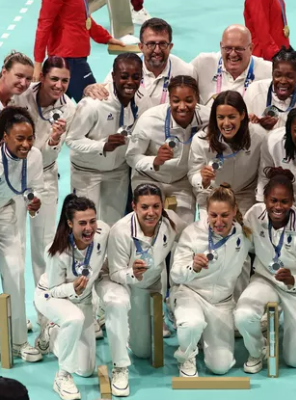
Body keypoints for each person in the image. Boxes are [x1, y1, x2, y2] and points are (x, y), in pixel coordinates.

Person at [92, 184, 182, 396]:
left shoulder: (171, 221)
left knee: (141, 352)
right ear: (134, 206)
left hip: (149, 284)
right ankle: (119, 367)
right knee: (118, 303)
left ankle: (126, 324)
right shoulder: (121, 231)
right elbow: (115, 273)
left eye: (156, 206)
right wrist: (133, 273)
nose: (151, 213)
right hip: (118, 281)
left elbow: (192, 235)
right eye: (144, 207)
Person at [235, 168, 296, 374]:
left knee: (295, 361)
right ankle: (256, 351)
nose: (278, 206)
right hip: (265, 279)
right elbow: (245, 244)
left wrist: (293, 279)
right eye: (273, 200)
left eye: (284, 201)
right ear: (265, 199)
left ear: (292, 201)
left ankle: (286, 322)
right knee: (243, 314)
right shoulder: (254, 214)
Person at [33, 194, 110, 400]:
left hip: (82, 300)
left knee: (85, 369)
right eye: (82, 223)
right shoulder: (56, 250)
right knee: (73, 318)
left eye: (92, 221)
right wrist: (71, 289)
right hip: (51, 296)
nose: (89, 228)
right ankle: (62, 377)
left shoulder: (103, 233)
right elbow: (53, 290)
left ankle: (54, 333)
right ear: (69, 223)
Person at [11, 56, 76, 294]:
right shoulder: (22, 95)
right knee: (13, 246)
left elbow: (48, 156)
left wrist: (54, 139)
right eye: (54, 79)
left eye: (65, 81)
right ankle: (15, 313)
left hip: (44, 178)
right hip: (11, 176)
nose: (59, 86)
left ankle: (47, 312)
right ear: (43, 77)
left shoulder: (69, 109)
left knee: (45, 246)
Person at [171, 184, 251, 377]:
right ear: (207, 212)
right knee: (192, 323)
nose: (218, 221)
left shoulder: (245, 236)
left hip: (221, 302)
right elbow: (175, 274)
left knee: (221, 367)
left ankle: (197, 337)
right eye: (213, 215)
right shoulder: (192, 233)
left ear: (234, 212)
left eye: (224, 215)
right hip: (191, 294)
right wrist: (192, 267)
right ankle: (186, 355)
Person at [65, 53, 142, 226]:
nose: (130, 82)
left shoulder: (139, 102)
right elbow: (71, 139)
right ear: (113, 76)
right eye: (124, 77)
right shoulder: (93, 104)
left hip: (118, 172)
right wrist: (101, 146)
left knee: (113, 226)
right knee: (83, 225)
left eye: (135, 77)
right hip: (87, 172)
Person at [126, 75, 210, 225]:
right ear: (169, 99)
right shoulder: (150, 120)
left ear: (197, 98)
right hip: (148, 177)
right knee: (149, 223)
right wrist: (155, 161)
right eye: (176, 101)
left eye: (189, 100)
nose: (182, 106)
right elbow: (131, 156)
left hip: (182, 181)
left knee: (182, 228)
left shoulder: (207, 117)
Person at [0, 106, 44, 362]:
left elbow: (33, 188)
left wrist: (34, 205)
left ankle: (18, 342)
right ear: (4, 137)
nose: (26, 144)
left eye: (30, 138)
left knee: (16, 274)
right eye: (20, 138)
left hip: (6, 214)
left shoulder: (35, 157)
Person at [84, 18, 194, 117]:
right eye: (151, 44)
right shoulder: (125, 67)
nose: (157, 50)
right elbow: (105, 95)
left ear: (170, 47)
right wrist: (90, 89)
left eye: (162, 44)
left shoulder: (185, 72)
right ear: (141, 47)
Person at [188, 90, 264, 214]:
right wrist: (202, 179)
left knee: (246, 231)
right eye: (221, 117)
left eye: (232, 117)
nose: (226, 123)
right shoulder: (201, 140)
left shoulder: (258, 136)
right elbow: (193, 174)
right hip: (212, 194)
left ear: (243, 115)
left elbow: (263, 172)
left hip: (244, 194)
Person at [33, 0, 125, 102]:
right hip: (68, 59)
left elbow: (83, 18)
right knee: (95, 103)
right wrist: (38, 63)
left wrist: (106, 38)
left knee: (57, 108)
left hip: (73, 56)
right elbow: (44, 24)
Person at [190, 25, 272, 106]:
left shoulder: (268, 72)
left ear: (250, 48)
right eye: (228, 48)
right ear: (221, 46)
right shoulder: (202, 63)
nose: (233, 54)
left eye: (239, 49)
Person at [244, 47, 296, 133]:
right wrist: (255, 125)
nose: (283, 81)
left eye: (289, 76)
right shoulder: (254, 91)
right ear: (272, 73)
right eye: (278, 75)